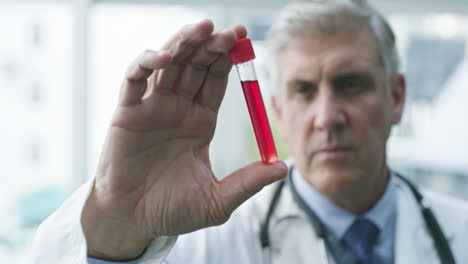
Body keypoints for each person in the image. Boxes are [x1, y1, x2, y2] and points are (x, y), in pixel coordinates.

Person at [33, 0, 468, 263]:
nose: (327, 115)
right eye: (302, 90)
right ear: (276, 110)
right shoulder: (208, 247)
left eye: (350, 84)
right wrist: (120, 217)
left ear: (396, 97)